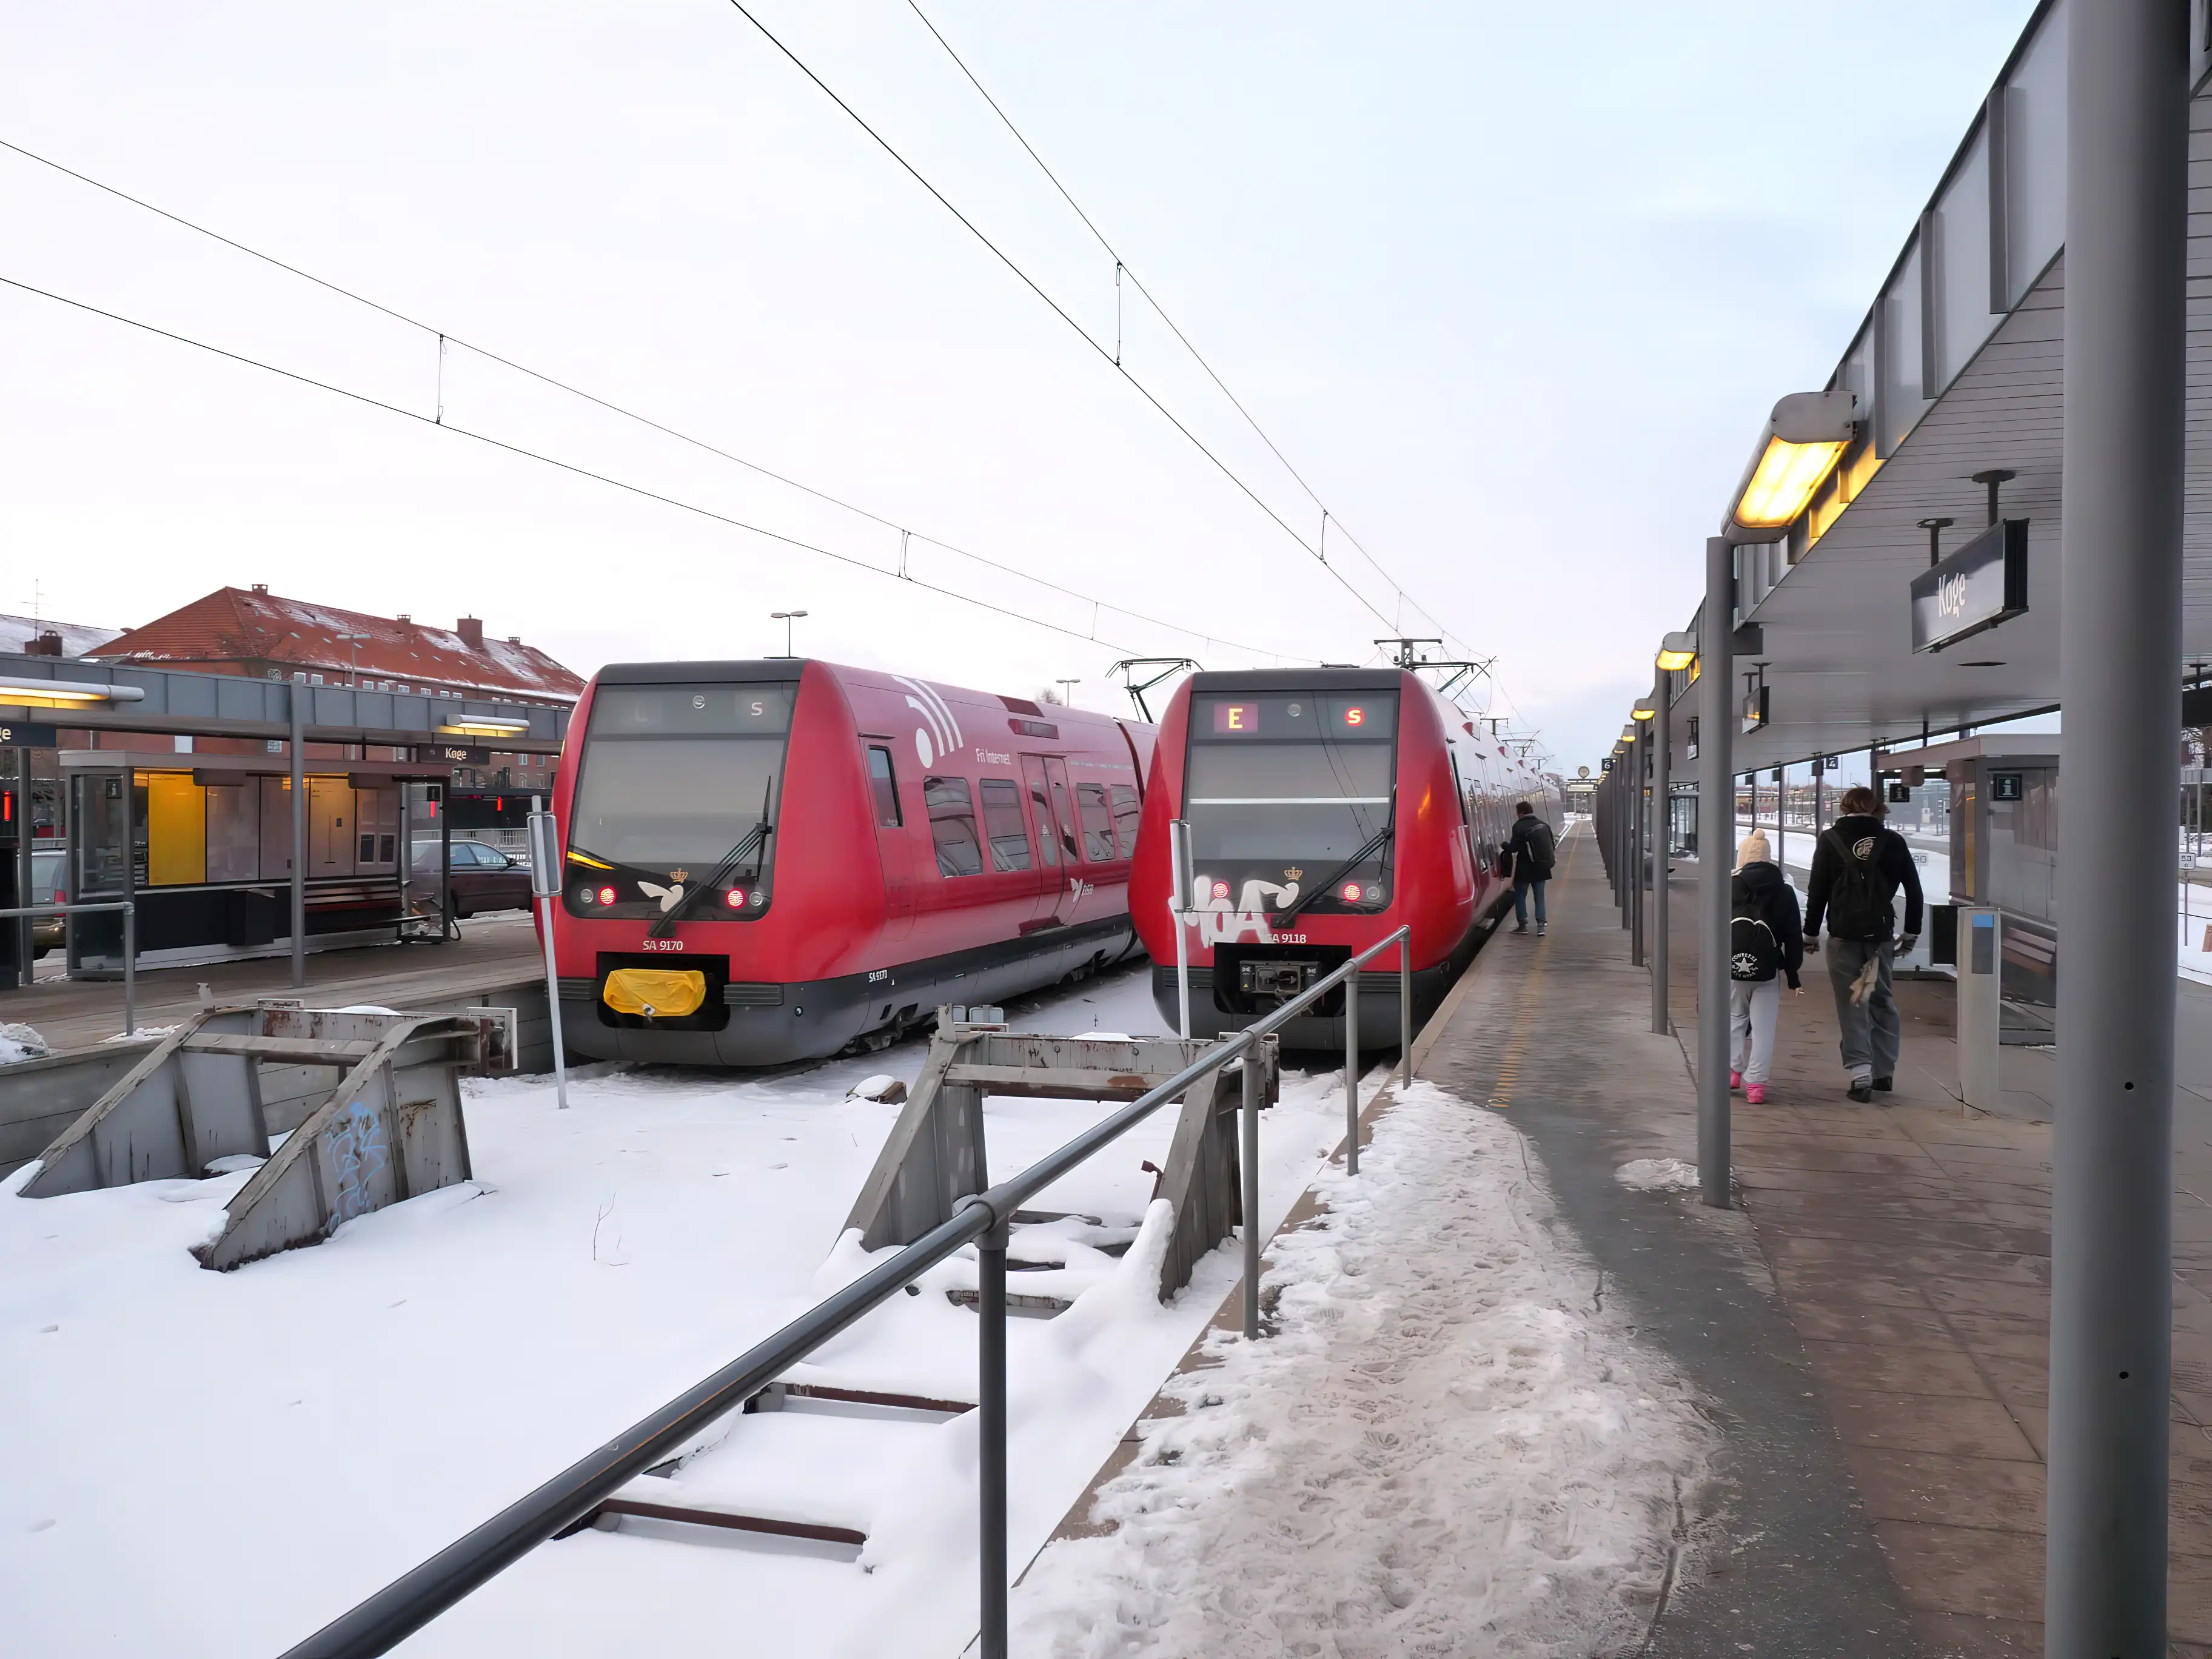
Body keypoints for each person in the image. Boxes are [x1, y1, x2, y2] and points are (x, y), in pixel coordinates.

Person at [1804, 784, 1924, 1104]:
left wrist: (1810, 932)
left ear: (1844, 807)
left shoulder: (1830, 840)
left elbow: (1817, 891)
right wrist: (1911, 932)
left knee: (1853, 1001)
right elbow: (1914, 891)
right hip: (1880, 936)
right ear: (1874, 808)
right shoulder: (1893, 841)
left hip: (1844, 936)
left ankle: (1861, 1074)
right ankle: (1884, 1071)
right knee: (1880, 998)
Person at [1728, 830, 1803, 1105]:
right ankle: (1756, 1085)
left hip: (1734, 966)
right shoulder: (1784, 891)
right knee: (1763, 1028)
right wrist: (1793, 974)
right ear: (1770, 859)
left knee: (1735, 1017)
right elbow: (1793, 935)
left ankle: (1732, 1071)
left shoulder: (1730, 885)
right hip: (1768, 969)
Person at [1503, 800, 1557, 936]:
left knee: (1520, 896)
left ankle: (1523, 926)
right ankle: (1541, 926)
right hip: (1542, 868)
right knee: (1540, 897)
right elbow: (1552, 846)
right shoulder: (1543, 825)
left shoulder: (1519, 826)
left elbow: (1513, 848)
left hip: (1525, 868)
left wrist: (1504, 846)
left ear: (1520, 813)